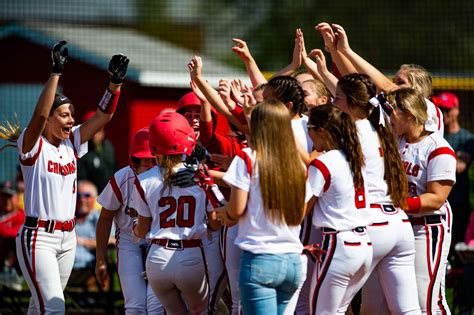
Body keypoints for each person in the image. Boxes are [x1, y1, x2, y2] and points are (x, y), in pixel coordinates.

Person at [7, 40, 129, 314]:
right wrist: (55, 73)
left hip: (68, 237)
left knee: (40, 307)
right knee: (54, 308)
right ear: (49, 120)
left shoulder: (71, 143)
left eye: (72, 114)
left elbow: (103, 116)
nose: (71, 120)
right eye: (64, 115)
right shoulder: (32, 144)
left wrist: (114, 86)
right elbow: (39, 114)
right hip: (39, 237)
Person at [216, 100, 308, 314]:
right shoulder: (297, 163)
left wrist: (219, 213)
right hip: (293, 261)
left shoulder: (247, 157)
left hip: (261, 258)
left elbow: (235, 210)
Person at [131, 111, 220, 315]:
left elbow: (142, 229)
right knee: (201, 312)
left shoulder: (144, 179)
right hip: (190, 254)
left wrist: (136, 229)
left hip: (157, 257)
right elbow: (215, 223)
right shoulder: (200, 176)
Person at [388, 87, 456, 314]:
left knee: (425, 298)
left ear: (409, 113)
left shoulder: (438, 148)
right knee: (398, 301)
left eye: (394, 111)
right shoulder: (396, 141)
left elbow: (436, 198)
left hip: (428, 227)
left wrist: (394, 205)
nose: (390, 116)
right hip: (400, 224)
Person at [305, 104, 372, 314]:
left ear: (322, 131)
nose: (308, 133)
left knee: (321, 312)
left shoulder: (324, 162)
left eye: (310, 128)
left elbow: (300, 211)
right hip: (363, 245)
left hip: (339, 245)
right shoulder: (354, 157)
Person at [95, 127, 163, 314]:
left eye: (153, 159)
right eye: (144, 159)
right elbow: (105, 218)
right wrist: (100, 258)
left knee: (156, 306)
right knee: (135, 306)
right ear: (134, 160)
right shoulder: (122, 178)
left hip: (158, 241)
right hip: (128, 241)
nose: (149, 164)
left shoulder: (167, 177)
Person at [432, 92, 474, 253]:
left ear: (456, 110)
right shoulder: (435, 135)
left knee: (456, 245)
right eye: (440, 109)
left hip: (457, 202)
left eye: (447, 109)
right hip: (435, 199)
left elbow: (459, 166)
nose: (443, 113)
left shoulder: (466, 138)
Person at [77, 110, 117, 192]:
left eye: (98, 130)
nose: (95, 135)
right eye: (92, 131)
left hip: (107, 196)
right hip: (89, 197)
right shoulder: (80, 150)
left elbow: (113, 170)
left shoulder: (108, 146)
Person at [0, 182, 25, 290]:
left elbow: (15, 233)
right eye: (3, 197)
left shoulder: (21, 215)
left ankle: (12, 275)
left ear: (17, 198)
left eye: (10, 197)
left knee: (14, 240)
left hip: (11, 261)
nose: (6, 200)